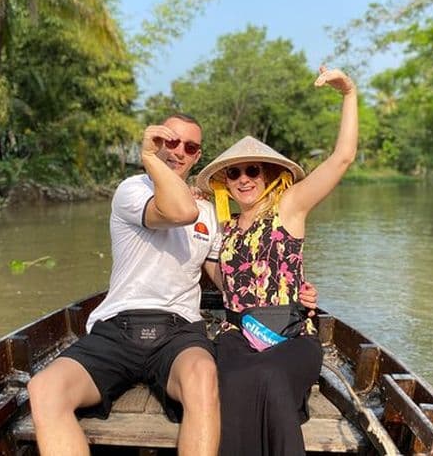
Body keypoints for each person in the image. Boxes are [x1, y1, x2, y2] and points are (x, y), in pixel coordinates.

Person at [28, 114, 222, 456]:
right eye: (170, 141)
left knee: (203, 376)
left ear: (197, 157)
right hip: (117, 327)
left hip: (179, 331)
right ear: (157, 141)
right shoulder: (132, 190)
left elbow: (223, 277)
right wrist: (147, 159)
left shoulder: (209, 211)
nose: (178, 152)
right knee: (44, 388)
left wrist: (283, 288)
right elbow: (178, 212)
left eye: (189, 147)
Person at [194, 66, 358, 456]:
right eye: (234, 173)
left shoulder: (289, 207)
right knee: (232, 383)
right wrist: (199, 249)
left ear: (269, 175)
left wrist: (348, 93)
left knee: (267, 376)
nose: (244, 179)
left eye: (253, 170)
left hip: (290, 338)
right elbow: (226, 282)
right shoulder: (225, 227)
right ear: (226, 182)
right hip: (236, 339)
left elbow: (342, 158)